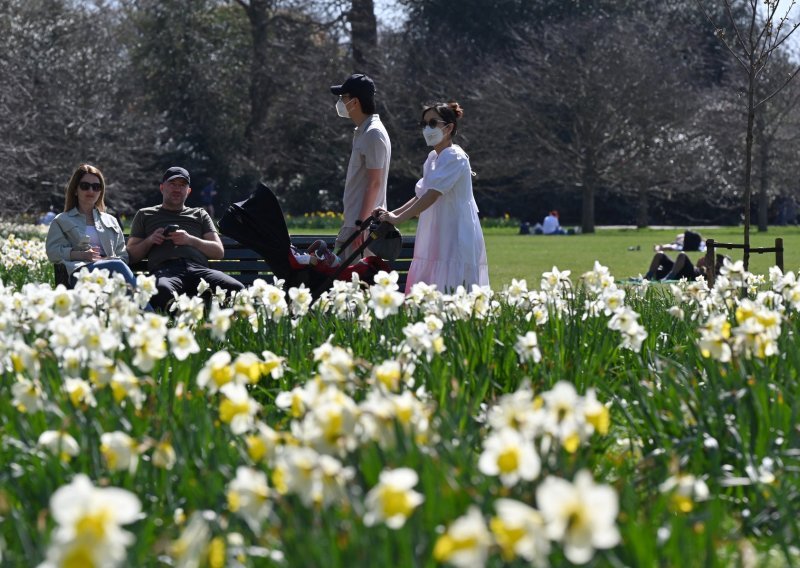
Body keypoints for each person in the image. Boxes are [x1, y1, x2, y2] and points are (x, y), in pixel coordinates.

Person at [373, 101, 489, 293]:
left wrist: (398, 219)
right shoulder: (432, 159)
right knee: (430, 277)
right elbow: (422, 194)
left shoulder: (455, 157)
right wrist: (391, 214)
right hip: (436, 229)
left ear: (449, 127)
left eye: (433, 123)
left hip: (454, 230)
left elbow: (433, 195)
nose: (427, 128)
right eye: (424, 124)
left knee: (450, 281)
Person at [126, 167, 244, 311]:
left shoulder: (199, 214)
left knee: (236, 289)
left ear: (188, 191)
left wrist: (190, 240)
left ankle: (218, 331)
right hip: (165, 271)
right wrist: (150, 240)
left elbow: (218, 251)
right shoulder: (145, 215)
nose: (177, 189)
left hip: (198, 269)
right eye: (172, 184)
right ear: (162, 188)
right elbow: (131, 256)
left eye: (182, 185)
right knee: (161, 290)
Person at [46, 164, 138, 289]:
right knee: (117, 266)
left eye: (96, 187)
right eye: (85, 186)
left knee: (117, 266)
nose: (91, 191)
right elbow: (53, 252)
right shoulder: (61, 221)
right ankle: (146, 309)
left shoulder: (111, 221)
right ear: (75, 190)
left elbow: (123, 255)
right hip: (81, 274)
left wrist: (107, 259)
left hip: (110, 273)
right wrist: (81, 255)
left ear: (101, 192)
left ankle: (142, 308)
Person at [330, 73, 391, 258]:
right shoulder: (364, 131)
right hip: (356, 224)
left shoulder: (373, 134)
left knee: (354, 285)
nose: (340, 102)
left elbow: (375, 183)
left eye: (343, 97)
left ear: (354, 102)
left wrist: (360, 225)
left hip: (361, 229)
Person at [643, 251, 727, 281]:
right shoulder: (705, 267)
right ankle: (647, 277)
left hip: (691, 274)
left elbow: (710, 277)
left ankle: (668, 278)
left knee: (682, 255)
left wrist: (704, 266)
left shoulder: (716, 275)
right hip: (679, 270)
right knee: (659, 255)